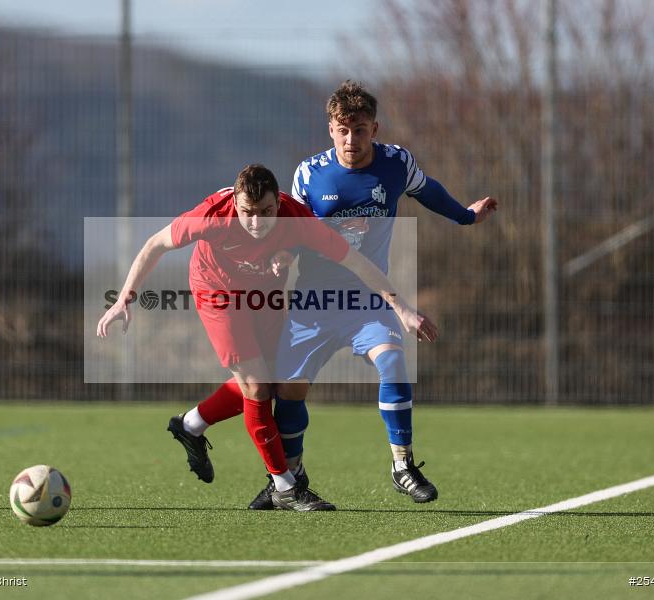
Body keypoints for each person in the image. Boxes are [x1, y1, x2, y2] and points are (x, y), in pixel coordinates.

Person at [171, 81, 498, 509]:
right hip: (313, 304)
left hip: (367, 300)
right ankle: (287, 479)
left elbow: (428, 190)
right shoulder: (309, 173)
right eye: (343, 130)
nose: (351, 139)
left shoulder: (397, 163)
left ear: (374, 128)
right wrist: (283, 258)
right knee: (282, 390)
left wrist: (464, 217)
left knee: (393, 360)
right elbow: (292, 230)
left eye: (360, 129)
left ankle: (402, 466)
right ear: (330, 129)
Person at [97, 163, 436, 511]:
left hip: (264, 293)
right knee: (257, 387)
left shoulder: (298, 219)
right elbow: (156, 243)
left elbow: (357, 262)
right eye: (248, 213)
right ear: (236, 205)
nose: (256, 223)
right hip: (217, 294)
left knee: (277, 380)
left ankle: (191, 425)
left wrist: (401, 308)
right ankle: (285, 486)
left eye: (266, 212)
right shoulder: (212, 215)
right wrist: (125, 297)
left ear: (279, 202)